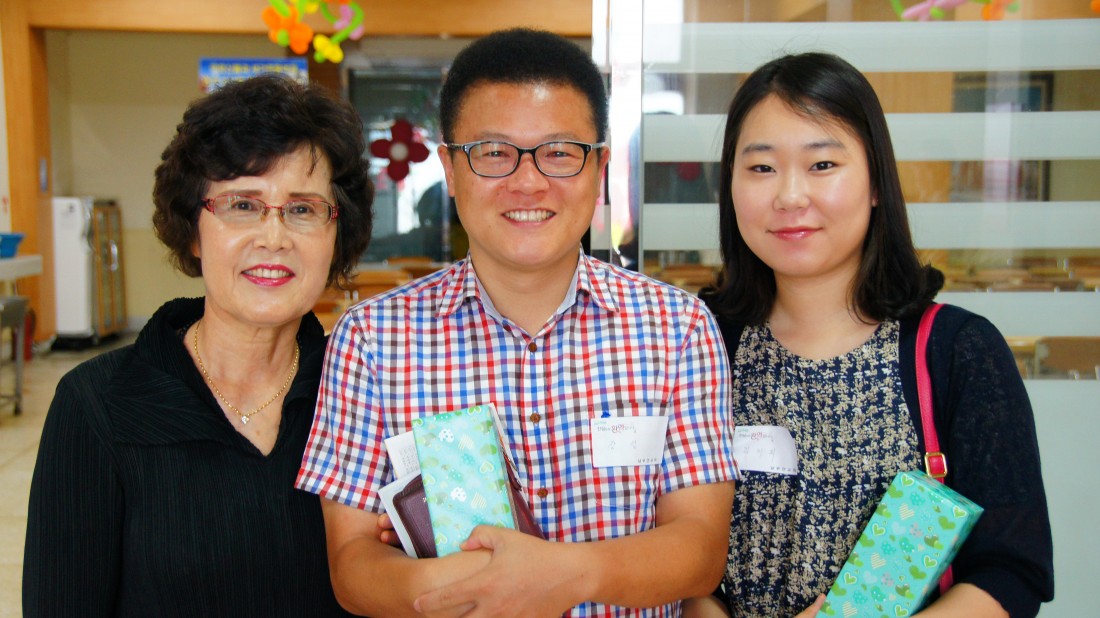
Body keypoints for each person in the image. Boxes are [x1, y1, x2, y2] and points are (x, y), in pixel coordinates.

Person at [295, 28, 736, 617]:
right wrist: (465, 585)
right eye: (494, 153)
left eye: (560, 152)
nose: (528, 182)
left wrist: (557, 575)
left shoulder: (678, 329)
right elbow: (353, 564)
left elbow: (700, 550)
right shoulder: (371, 340)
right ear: (450, 169)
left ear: (600, 168)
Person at [688, 52, 1054, 618]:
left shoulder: (958, 350)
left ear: (877, 182)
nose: (790, 196)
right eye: (761, 168)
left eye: (822, 164)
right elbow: (667, 545)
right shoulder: (696, 341)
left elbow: (1012, 569)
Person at [23, 73, 374, 616]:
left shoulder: (363, 393)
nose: (274, 237)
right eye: (242, 205)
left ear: (336, 235)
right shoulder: (97, 405)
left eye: (303, 209)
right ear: (192, 228)